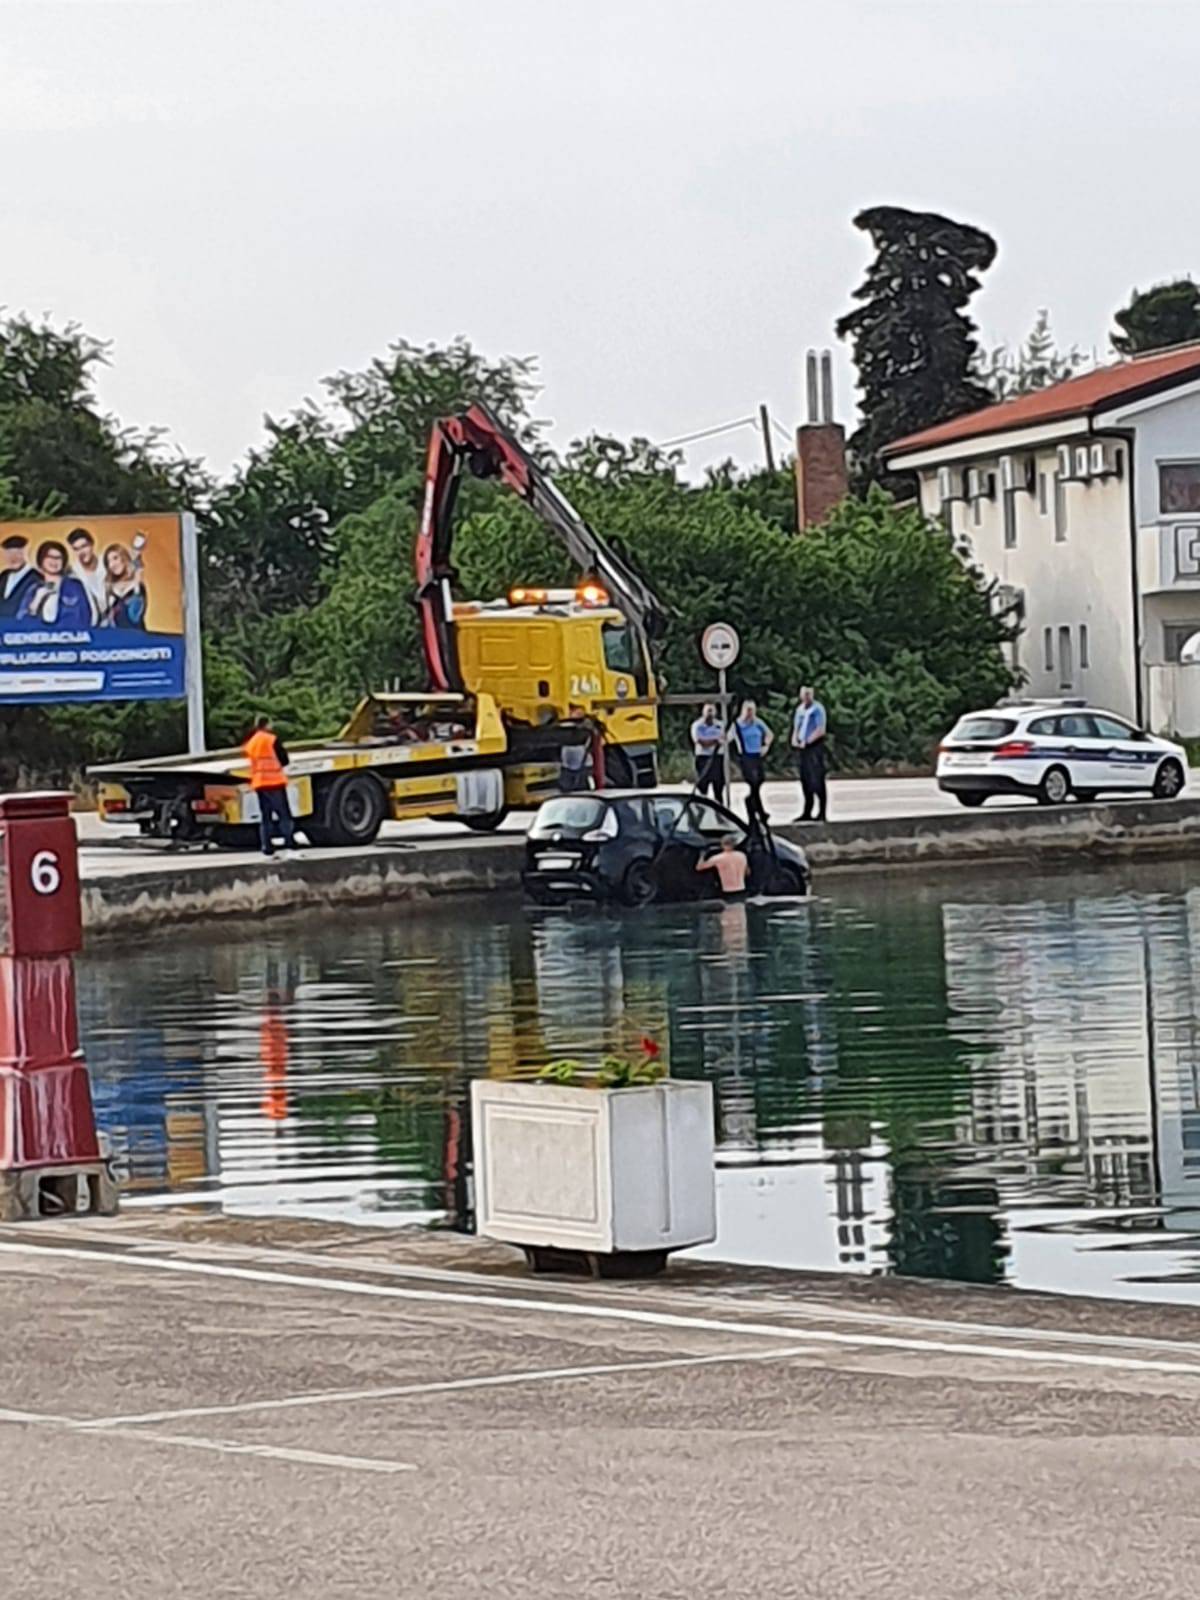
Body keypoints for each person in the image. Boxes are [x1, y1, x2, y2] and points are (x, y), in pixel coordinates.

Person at [243, 713, 297, 858]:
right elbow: (284, 759)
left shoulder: (251, 743)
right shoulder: (272, 739)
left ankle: (266, 846)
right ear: (266, 725)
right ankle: (289, 842)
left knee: (265, 816)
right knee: (283, 814)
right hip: (274, 781)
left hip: (260, 783)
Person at [17, 540, 93, 629]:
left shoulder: (75, 586)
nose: (54, 561)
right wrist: (36, 601)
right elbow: (22, 622)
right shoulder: (33, 589)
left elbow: (85, 615)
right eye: (50, 557)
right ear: (41, 560)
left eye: (58, 558)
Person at [731, 699, 772, 827]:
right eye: (748, 710)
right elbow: (728, 737)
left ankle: (754, 807)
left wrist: (765, 746)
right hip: (746, 756)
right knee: (753, 782)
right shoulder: (737, 725)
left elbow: (769, 734)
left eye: (752, 711)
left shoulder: (758, 722)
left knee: (759, 781)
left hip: (757, 755)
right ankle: (757, 812)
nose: (750, 714)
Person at [791, 685, 828, 822]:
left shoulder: (817, 709)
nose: (807, 697)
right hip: (802, 747)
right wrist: (794, 739)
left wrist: (807, 741)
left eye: (809, 694)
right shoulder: (799, 710)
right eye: (804, 694)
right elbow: (796, 727)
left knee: (816, 779)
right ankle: (807, 811)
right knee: (805, 779)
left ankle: (821, 812)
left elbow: (820, 729)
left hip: (814, 746)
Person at [101, 540, 148, 630]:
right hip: (115, 637)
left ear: (123, 557)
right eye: (108, 562)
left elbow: (135, 614)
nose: (112, 564)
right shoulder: (108, 588)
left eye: (115, 558)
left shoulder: (136, 585)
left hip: (135, 635)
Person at [66, 527, 107, 623]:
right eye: (76, 549)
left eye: (84, 546)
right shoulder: (73, 574)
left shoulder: (108, 563)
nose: (82, 552)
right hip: (92, 624)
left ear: (92, 544)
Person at [690, 702, 726, 803]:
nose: (710, 713)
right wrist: (714, 741)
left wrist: (713, 741)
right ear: (703, 712)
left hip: (717, 757)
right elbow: (700, 741)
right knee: (702, 787)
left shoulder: (720, 725)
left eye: (712, 710)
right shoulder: (697, 725)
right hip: (702, 757)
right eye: (708, 711)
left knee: (718, 787)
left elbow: (723, 739)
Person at [696, 834, 751, 899]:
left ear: (722, 844)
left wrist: (702, 855)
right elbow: (748, 872)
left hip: (727, 891)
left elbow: (699, 867)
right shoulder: (742, 855)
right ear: (735, 844)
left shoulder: (718, 858)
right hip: (742, 890)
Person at [0, 534, 38, 619]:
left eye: (18, 553)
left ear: (26, 552)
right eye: (9, 553)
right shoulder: (3, 576)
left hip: (22, 629)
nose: (14, 558)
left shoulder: (37, 578)